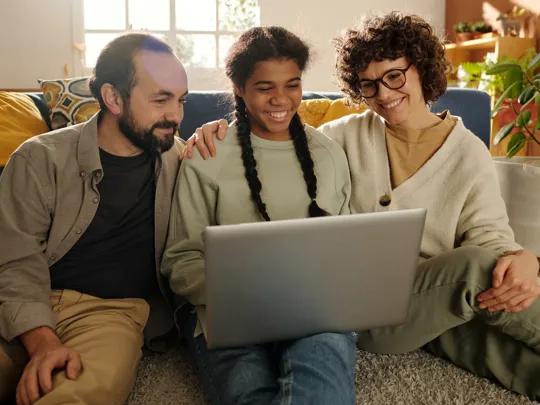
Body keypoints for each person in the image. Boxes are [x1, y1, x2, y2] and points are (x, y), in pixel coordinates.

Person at [182, 13, 540, 399]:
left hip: (425, 304)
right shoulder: (342, 137)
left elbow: (491, 235)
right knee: (475, 268)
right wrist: (214, 128)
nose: (384, 94)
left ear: (420, 68)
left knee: (488, 341)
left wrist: (522, 258)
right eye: (369, 85)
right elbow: (273, 136)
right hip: (355, 304)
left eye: (394, 77)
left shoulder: (469, 151)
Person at [161, 26, 356, 405]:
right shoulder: (208, 157)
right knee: (246, 392)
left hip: (312, 311)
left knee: (321, 389)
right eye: (265, 87)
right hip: (224, 314)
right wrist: (254, 292)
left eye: (293, 84)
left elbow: (347, 248)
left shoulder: (329, 154)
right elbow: (181, 262)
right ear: (239, 88)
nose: (281, 99)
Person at [0, 33, 188, 405]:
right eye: (161, 99)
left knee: (85, 394)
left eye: (181, 100)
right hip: (24, 296)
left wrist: (223, 137)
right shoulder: (39, 158)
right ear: (113, 97)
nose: (177, 115)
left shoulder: (182, 157)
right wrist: (42, 342)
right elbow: (15, 260)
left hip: (110, 313)